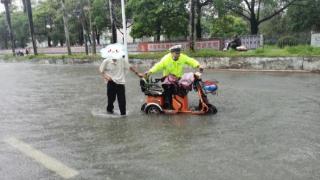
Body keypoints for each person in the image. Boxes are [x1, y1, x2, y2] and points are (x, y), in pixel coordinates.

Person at [143, 44, 203, 110]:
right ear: (171, 53)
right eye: (176, 53)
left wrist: (198, 65)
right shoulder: (166, 59)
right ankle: (168, 106)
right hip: (167, 80)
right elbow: (157, 66)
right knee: (169, 90)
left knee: (183, 89)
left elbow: (191, 61)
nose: (178, 55)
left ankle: (180, 105)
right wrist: (150, 72)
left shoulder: (182, 57)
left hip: (178, 79)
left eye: (179, 53)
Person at [99, 43, 140, 116]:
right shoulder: (106, 61)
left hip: (120, 83)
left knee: (122, 101)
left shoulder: (121, 60)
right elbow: (101, 71)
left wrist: (137, 73)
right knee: (111, 100)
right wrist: (106, 77)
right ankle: (109, 111)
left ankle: (123, 115)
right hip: (111, 83)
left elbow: (129, 67)